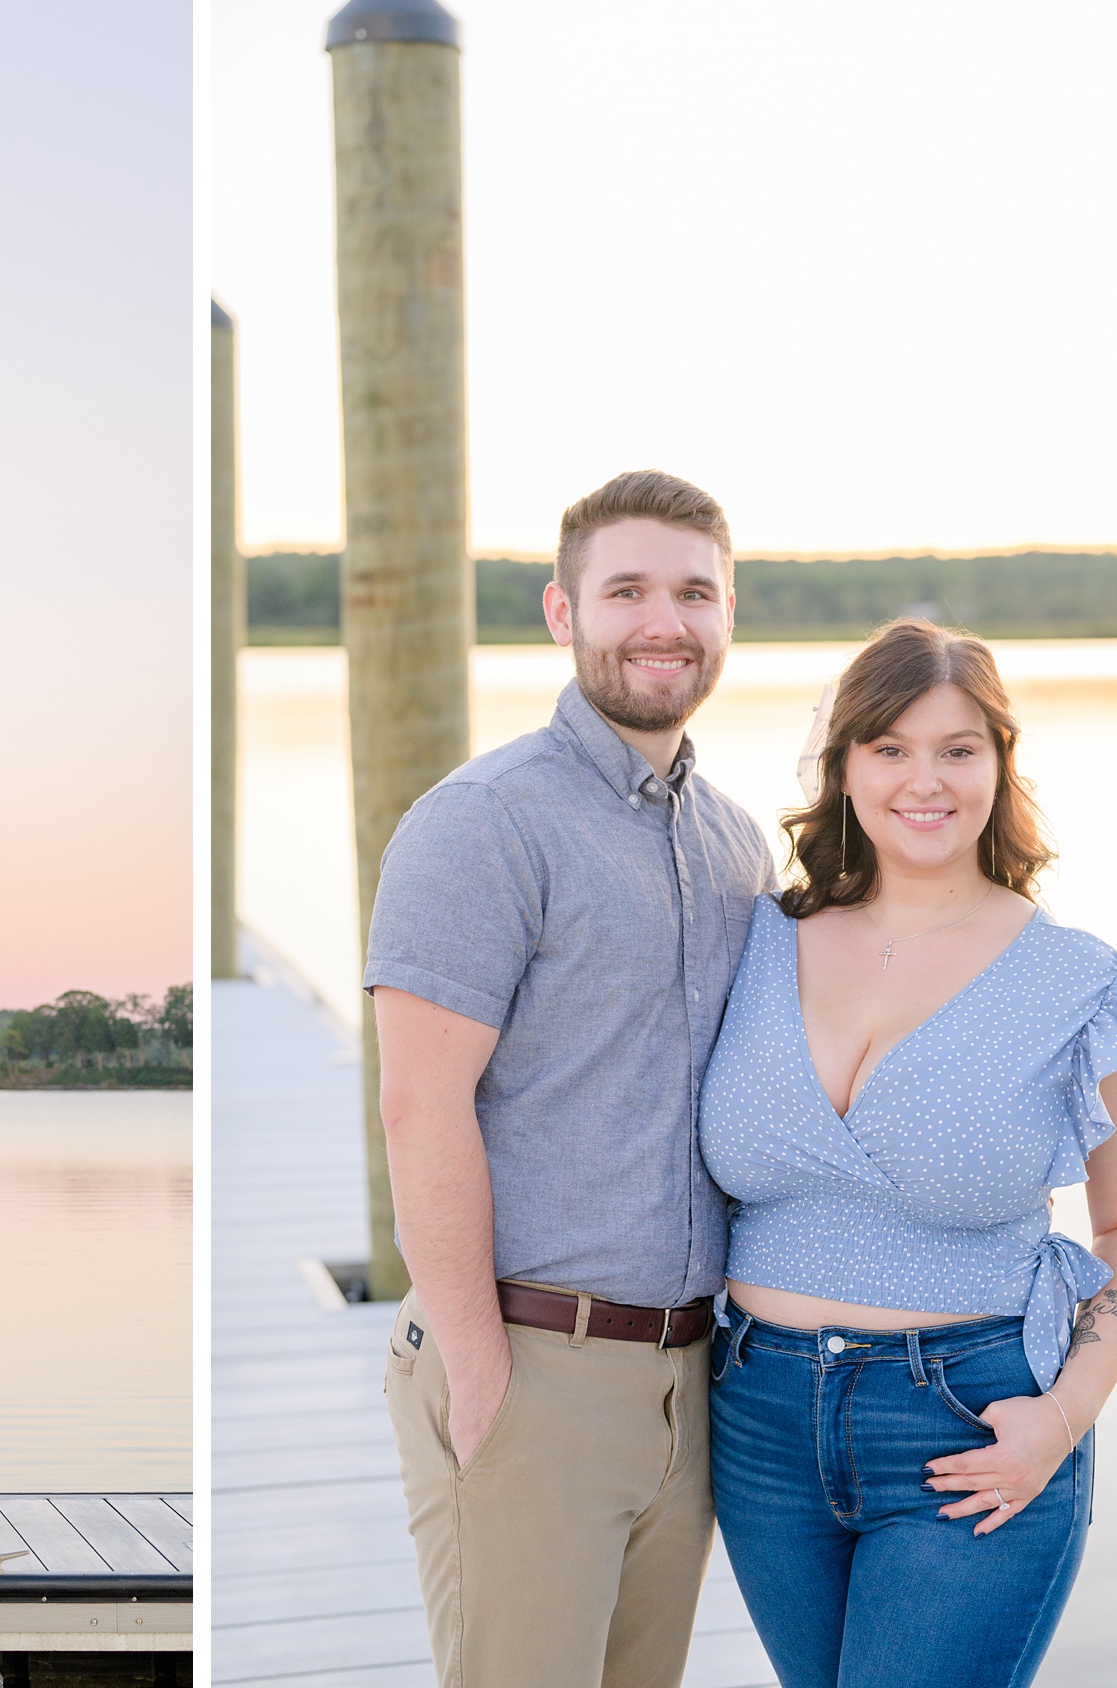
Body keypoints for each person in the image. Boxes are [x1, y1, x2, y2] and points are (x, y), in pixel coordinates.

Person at [699, 617, 1117, 1688]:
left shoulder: (1088, 988)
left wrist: (1065, 1416)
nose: (927, 780)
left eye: (959, 748)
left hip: (968, 1425)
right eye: (891, 748)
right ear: (846, 767)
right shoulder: (756, 940)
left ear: (1002, 765)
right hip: (759, 1420)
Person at [365, 471, 774, 1688]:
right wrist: (483, 1370)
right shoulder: (485, 822)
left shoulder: (736, 841)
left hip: (688, 1383)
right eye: (629, 589)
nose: (666, 621)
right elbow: (417, 1104)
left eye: (695, 591)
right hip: (533, 1361)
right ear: (562, 612)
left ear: (727, 616)